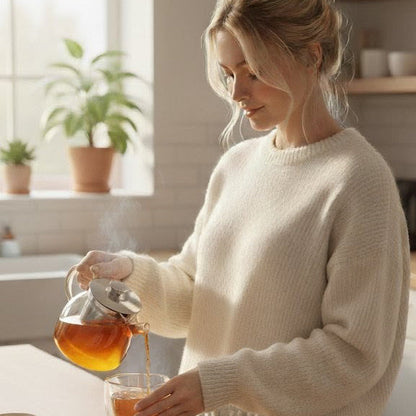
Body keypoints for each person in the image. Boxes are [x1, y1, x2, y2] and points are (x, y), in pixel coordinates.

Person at [74, 1, 410, 415]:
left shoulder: (358, 179)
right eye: (229, 73)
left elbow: (353, 355)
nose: (236, 93)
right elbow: (196, 296)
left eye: (253, 71)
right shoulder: (237, 166)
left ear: (311, 56)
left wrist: (220, 383)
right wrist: (128, 274)